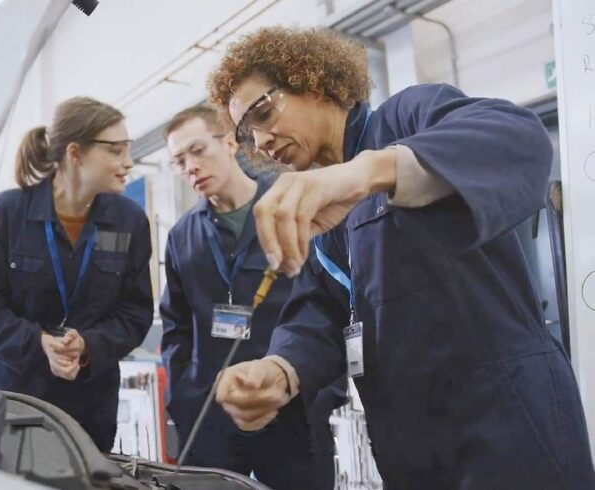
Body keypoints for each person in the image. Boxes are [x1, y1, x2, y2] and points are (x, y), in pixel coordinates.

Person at [207, 26, 595, 489]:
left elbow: (520, 140)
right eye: (247, 136)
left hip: (505, 426)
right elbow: (321, 312)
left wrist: (368, 172)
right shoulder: (323, 211)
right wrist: (278, 370)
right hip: (410, 446)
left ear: (310, 79)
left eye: (263, 112)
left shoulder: (408, 117)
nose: (262, 141)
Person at [0, 96, 153, 451]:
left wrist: (89, 346)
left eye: (128, 149)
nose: (128, 161)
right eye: (115, 150)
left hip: (89, 407)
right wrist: (37, 343)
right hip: (12, 400)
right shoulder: (7, 213)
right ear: (75, 154)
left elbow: (135, 313)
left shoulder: (129, 220)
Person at [160, 105, 339, 489]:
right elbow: (176, 328)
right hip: (213, 410)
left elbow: (328, 301)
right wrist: (186, 400)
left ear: (228, 143)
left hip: (291, 404)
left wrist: (319, 393)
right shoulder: (182, 236)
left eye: (197, 150)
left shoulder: (289, 204)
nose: (190, 166)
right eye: (178, 161)